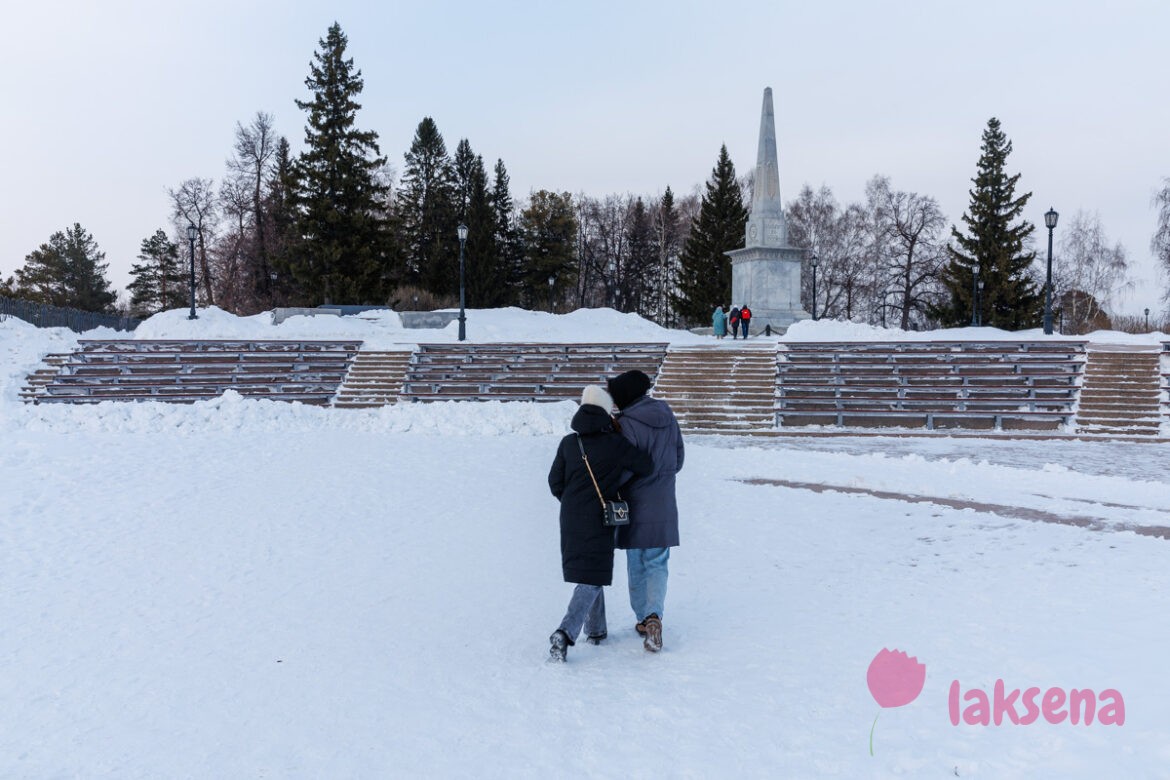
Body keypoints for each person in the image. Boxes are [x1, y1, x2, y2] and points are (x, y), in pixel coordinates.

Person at [547, 385, 653, 663]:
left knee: (592, 571)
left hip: (570, 516)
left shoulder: (569, 443)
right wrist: (618, 484)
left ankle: (596, 630)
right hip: (599, 516)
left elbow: (554, 482)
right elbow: (646, 466)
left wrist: (571, 501)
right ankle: (565, 632)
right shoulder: (615, 444)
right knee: (592, 577)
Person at [606, 369, 684, 653]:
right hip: (663, 500)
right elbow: (678, 459)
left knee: (636, 562)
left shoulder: (626, 424)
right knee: (658, 561)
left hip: (634, 502)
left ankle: (643, 618)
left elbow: (625, 467)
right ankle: (654, 616)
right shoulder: (667, 414)